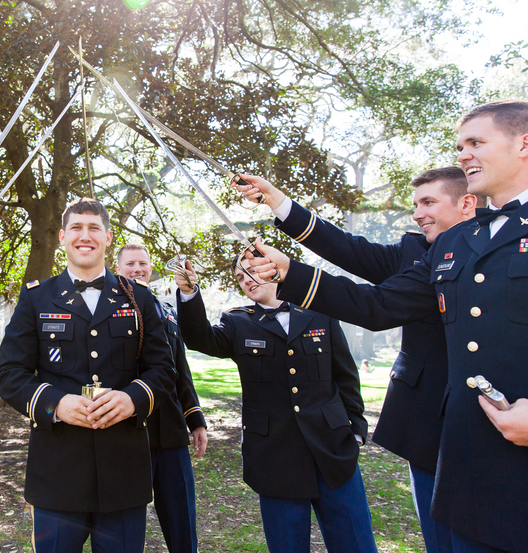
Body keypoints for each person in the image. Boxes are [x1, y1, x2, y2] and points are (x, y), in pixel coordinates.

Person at [244, 100, 528, 553]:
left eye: (476, 142)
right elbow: (377, 305)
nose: (464, 155)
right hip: (461, 453)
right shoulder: (456, 242)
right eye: (460, 146)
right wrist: (288, 273)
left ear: (523, 144)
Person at [233, 167, 479, 553]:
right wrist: (277, 201)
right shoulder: (415, 253)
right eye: (415, 204)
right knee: (440, 537)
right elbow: (347, 250)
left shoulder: (500, 245)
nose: (416, 214)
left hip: (490, 418)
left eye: (429, 202)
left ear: (467, 204)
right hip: (426, 419)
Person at [0, 198, 176, 553]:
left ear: (108, 238)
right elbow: (8, 374)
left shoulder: (138, 297)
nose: (85, 235)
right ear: (62, 237)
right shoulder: (36, 298)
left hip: (123, 470)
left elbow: (164, 369)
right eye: (76, 227)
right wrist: (55, 404)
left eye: (94, 228)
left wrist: (132, 398)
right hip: (58, 471)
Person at [173, 256, 377, 553]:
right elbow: (200, 338)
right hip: (274, 456)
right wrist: (189, 294)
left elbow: (345, 374)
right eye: (241, 279)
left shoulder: (319, 311)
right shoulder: (237, 321)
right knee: (287, 546)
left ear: (273, 269)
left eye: (252, 271)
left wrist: (356, 431)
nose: (248, 280)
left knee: (356, 543)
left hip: (333, 449)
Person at [115, 244, 207, 553]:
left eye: (143, 262)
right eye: (130, 264)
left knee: (182, 523)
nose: (137, 268)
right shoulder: (106, 307)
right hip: (126, 431)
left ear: (151, 268)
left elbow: (180, 369)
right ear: (118, 269)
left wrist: (195, 419)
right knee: (124, 530)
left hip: (169, 432)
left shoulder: (166, 310)